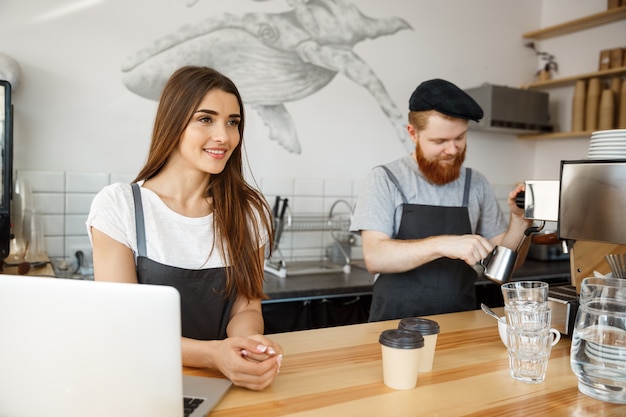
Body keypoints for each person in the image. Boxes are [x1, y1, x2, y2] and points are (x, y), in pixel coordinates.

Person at [86, 66, 283, 391]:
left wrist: (249, 348)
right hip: (140, 384)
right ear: (173, 122)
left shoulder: (248, 212)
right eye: (206, 119)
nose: (224, 136)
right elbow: (123, 327)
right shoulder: (119, 206)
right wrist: (215, 354)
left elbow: (246, 306)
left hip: (224, 383)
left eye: (233, 122)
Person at [349, 78, 532, 322]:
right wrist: (442, 245)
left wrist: (520, 223)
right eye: (440, 141)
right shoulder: (385, 179)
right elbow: (375, 257)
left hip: (460, 323)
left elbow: (505, 266)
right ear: (413, 133)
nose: (453, 150)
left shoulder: (476, 183)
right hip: (394, 326)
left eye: (460, 138)